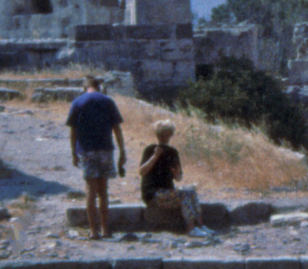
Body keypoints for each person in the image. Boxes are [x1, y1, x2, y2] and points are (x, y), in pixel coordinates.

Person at [65, 75, 126, 240]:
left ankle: (93, 231)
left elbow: (73, 131)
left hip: (86, 150)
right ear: (99, 87)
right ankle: (105, 229)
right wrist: (122, 152)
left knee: (90, 191)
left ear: (85, 87)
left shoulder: (78, 102)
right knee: (103, 191)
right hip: (105, 149)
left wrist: (73, 153)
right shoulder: (108, 101)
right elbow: (117, 129)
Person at [137, 119, 206, 234]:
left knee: (191, 191)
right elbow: (141, 172)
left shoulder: (173, 152)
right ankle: (191, 228)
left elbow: (178, 178)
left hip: (168, 192)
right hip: (153, 193)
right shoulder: (150, 149)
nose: (165, 137)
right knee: (185, 194)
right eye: (162, 134)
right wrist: (155, 157)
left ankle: (200, 225)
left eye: (167, 134)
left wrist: (177, 174)